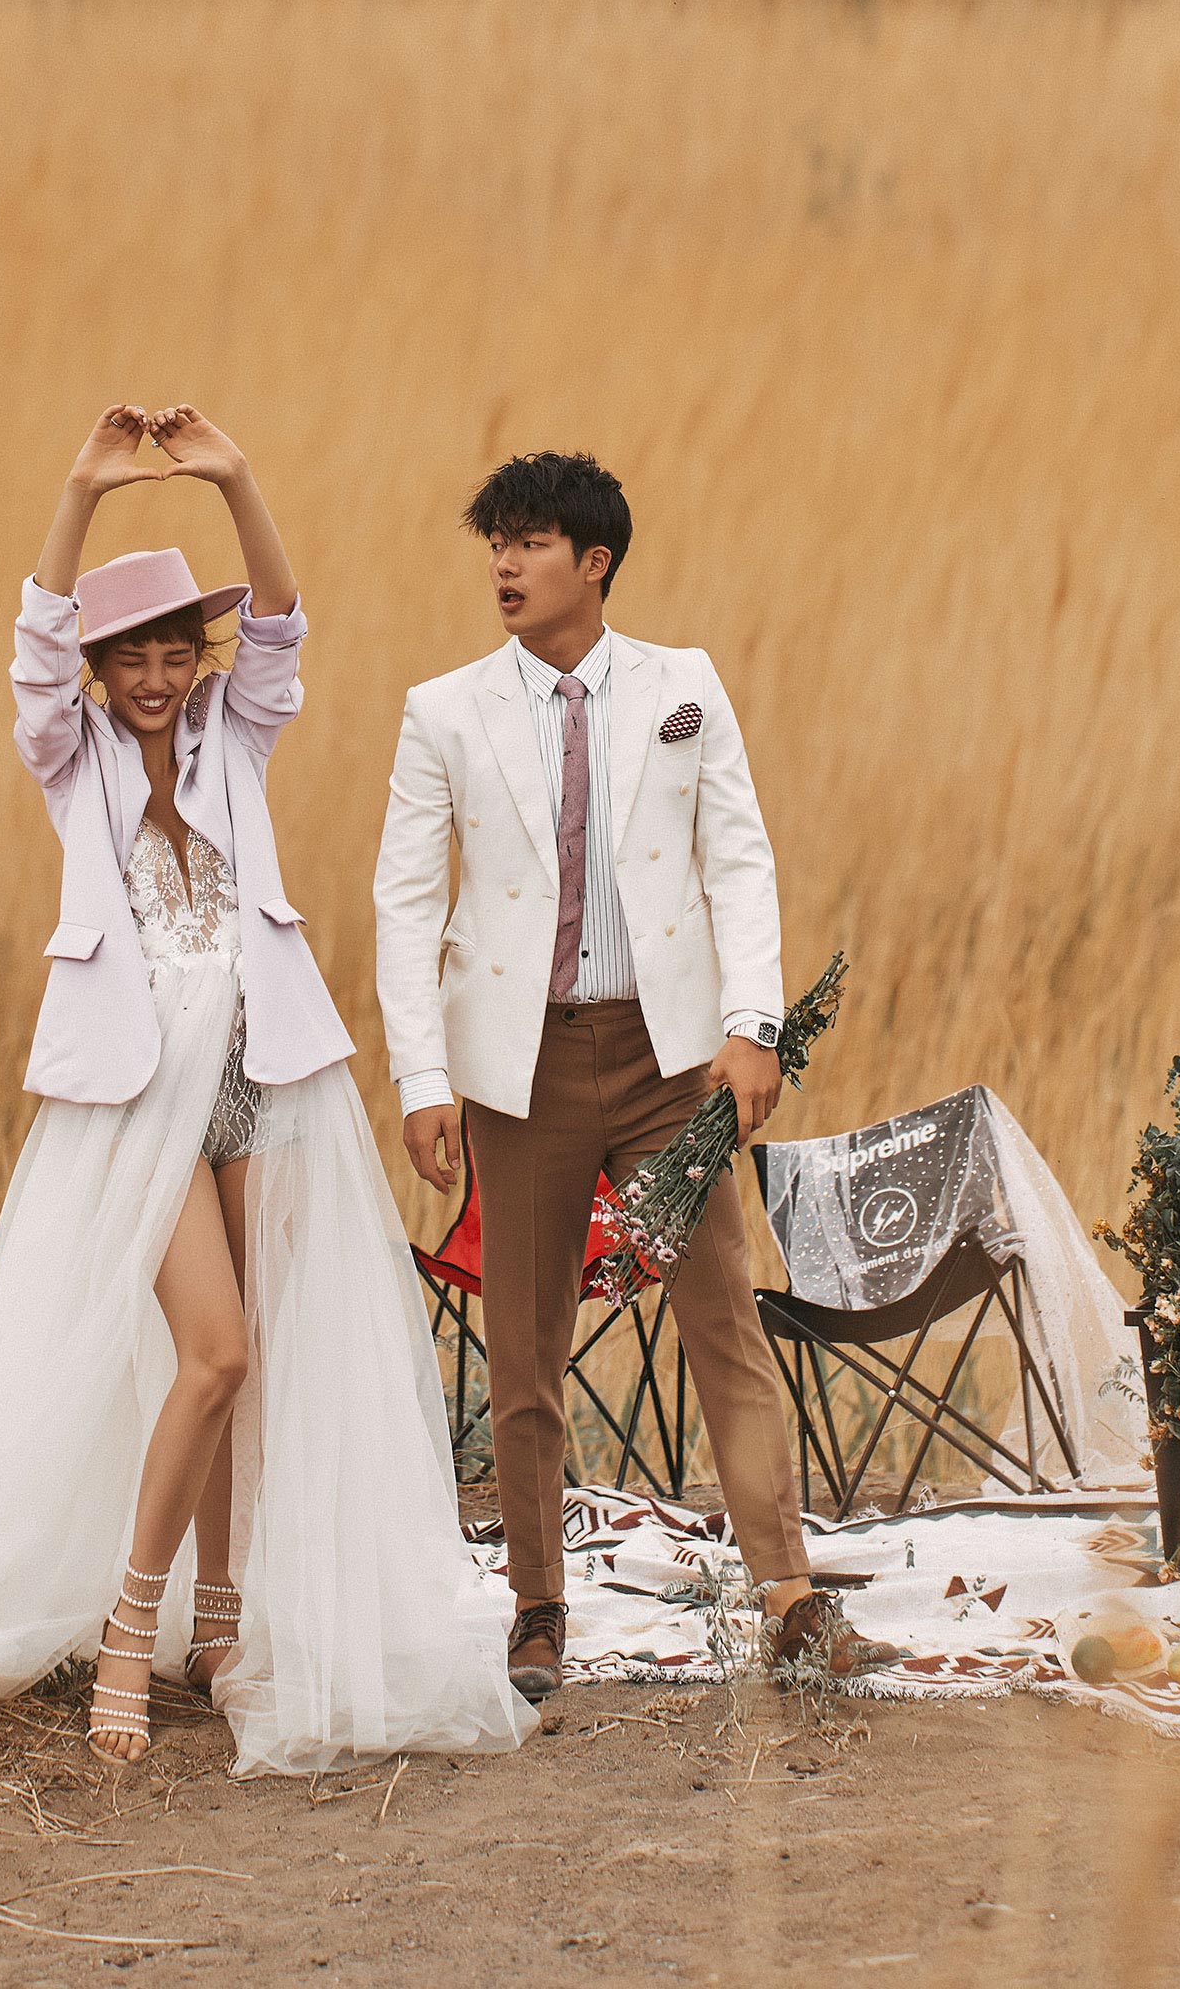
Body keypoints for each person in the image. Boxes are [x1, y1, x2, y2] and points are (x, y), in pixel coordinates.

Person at [0, 405, 530, 1775]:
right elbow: (32, 652)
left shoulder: (234, 739)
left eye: (171, 652)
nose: (151, 677)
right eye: (127, 656)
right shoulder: (69, 755)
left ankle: (222, 1617)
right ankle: (131, 1629)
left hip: (268, 1073)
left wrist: (234, 476)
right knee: (217, 1353)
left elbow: (282, 626)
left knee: (266, 1359)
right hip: (139, 1095)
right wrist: (83, 489)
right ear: (98, 667)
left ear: (197, 657)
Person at [373, 448, 821, 1699]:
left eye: (528, 543)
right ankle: (536, 1606)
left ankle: (786, 1591)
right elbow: (403, 903)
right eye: (495, 544)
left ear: (594, 562)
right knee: (522, 1346)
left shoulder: (682, 686)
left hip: (666, 1059)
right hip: (517, 1069)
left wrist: (753, 1025)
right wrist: (421, 1077)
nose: (504, 566)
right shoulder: (443, 711)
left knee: (720, 1317)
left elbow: (738, 858)